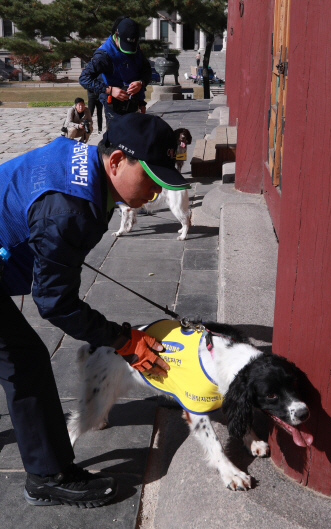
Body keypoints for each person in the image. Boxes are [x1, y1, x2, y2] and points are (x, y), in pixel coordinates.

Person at [0, 113, 190, 508]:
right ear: (117, 160)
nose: (155, 194)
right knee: (24, 361)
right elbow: (54, 302)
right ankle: (47, 477)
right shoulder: (67, 210)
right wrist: (123, 340)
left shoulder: (87, 167)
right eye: (151, 179)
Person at [79, 17, 152, 127]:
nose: (130, 50)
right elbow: (84, 78)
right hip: (113, 100)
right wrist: (109, 90)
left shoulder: (135, 47)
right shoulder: (103, 55)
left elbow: (146, 69)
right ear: (116, 35)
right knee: (116, 134)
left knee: (135, 133)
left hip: (132, 98)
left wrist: (141, 83)